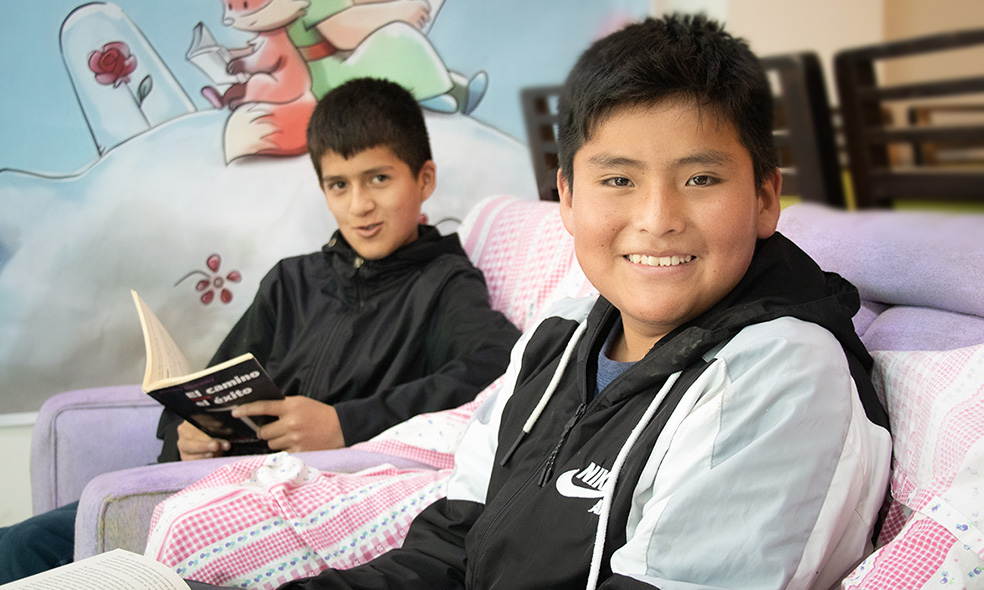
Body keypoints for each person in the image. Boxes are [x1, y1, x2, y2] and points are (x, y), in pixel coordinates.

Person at [257, 14, 890, 590]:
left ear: (765, 198)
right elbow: (453, 548)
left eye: (701, 178)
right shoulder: (560, 334)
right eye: (618, 179)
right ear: (566, 197)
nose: (657, 219)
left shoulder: (782, 370)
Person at [0, 77, 520, 584]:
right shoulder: (292, 280)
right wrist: (185, 436)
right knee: (18, 544)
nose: (359, 205)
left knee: (27, 547)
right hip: (202, 478)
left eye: (378, 179)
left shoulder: (445, 283)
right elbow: (211, 382)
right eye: (339, 185)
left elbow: (496, 364)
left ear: (424, 179)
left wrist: (343, 423)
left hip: (285, 498)